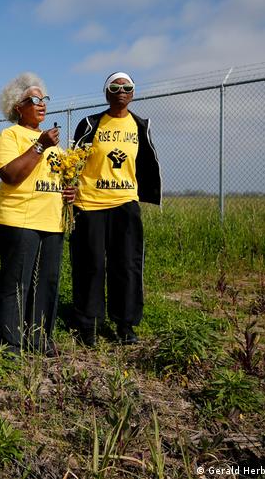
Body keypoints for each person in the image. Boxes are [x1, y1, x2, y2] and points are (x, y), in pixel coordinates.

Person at [70, 72, 161, 345]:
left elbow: (145, 162)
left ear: (133, 93)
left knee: (127, 265)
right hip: (90, 204)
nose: (121, 91)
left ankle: (125, 324)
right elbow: (74, 161)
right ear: (106, 93)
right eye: (115, 87)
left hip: (125, 205)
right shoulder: (90, 124)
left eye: (127, 87)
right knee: (91, 265)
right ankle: (88, 324)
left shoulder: (140, 125)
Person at [0, 73, 76, 356]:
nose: (42, 105)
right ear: (18, 106)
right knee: (17, 282)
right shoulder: (10, 136)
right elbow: (10, 175)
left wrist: (70, 192)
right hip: (20, 220)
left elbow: (60, 180)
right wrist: (39, 145)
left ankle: (39, 337)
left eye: (44, 100)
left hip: (52, 222)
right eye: (34, 100)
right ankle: (10, 343)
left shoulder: (56, 146)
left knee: (46, 283)